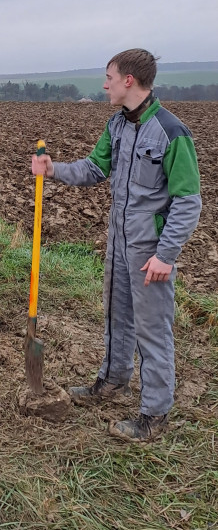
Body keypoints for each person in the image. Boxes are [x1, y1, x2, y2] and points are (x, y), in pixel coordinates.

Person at [31, 48, 202, 442]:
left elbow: (188, 201)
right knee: (115, 315)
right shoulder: (117, 125)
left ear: (129, 80)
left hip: (150, 252)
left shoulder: (172, 133)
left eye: (109, 77)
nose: (104, 84)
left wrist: (166, 254)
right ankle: (112, 382)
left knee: (153, 331)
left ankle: (154, 415)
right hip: (118, 242)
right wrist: (53, 169)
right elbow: (94, 168)